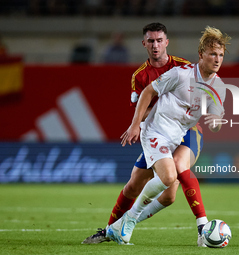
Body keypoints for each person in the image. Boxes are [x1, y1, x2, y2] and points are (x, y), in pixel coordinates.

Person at [82, 23, 209, 246]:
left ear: (166, 42)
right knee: (135, 186)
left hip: (186, 131)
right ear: (144, 44)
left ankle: (202, 227)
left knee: (178, 171)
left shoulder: (183, 67)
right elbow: (142, 108)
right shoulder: (140, 76)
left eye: (159, 40)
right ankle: (110, 229)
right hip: (159, 131)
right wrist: (137, 123)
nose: (155, 45)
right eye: (151, 41)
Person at [105, 25, 230, 245]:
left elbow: (217, 117)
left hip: (180, 133)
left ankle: (121, 225)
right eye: (212, 54)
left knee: (170, 194)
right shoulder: (181, 74)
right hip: (156, 130)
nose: (217, 59)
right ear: (201, 55)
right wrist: (135, 125)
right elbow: (148, 91)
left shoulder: (219, 87)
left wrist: (217, 121)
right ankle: (124, 223)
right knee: (158, 179)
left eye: (220, 55)